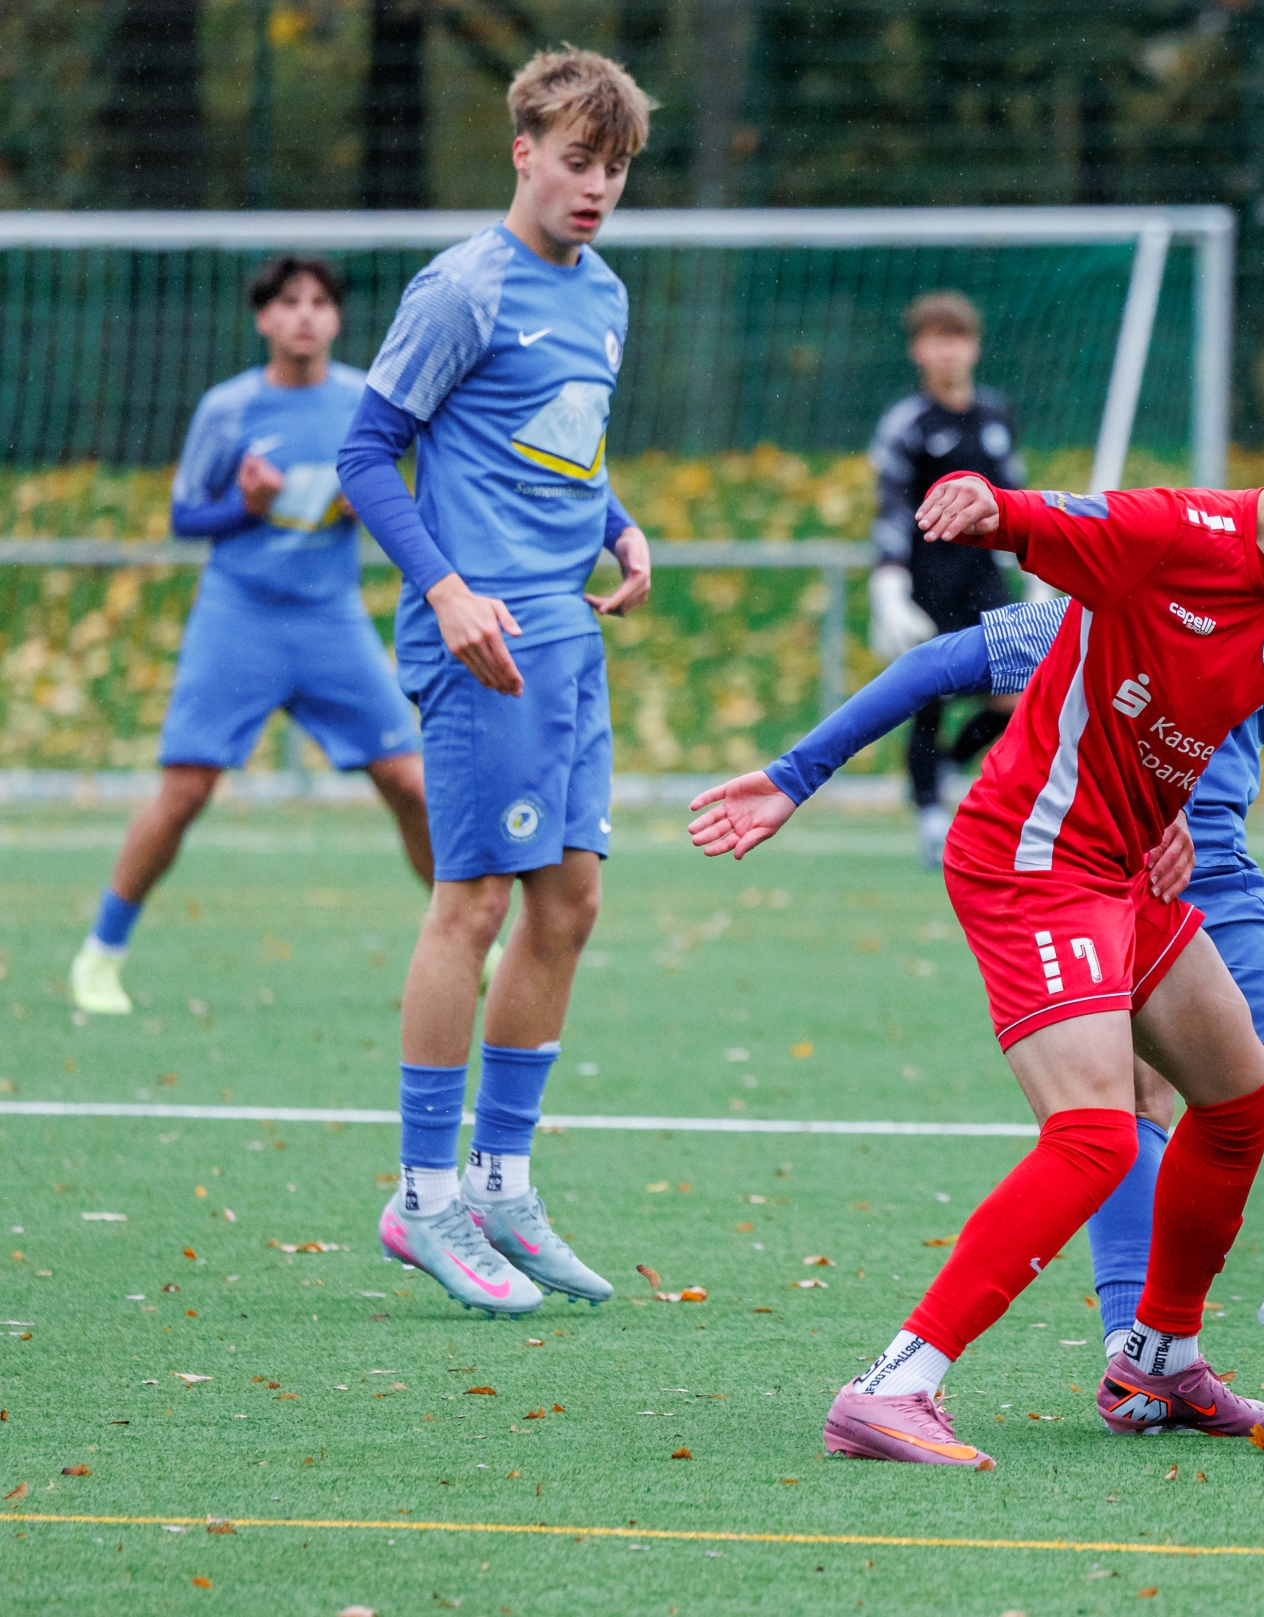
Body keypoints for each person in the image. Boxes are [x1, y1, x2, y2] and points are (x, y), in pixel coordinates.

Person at [705, 380, 1264, 1466]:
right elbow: (1037, 520)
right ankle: (893, 1384)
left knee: (1243, 1097)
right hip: (1032, 859)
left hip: (1126, 876)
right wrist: (975, 500)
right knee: (1096, 1133)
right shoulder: (1171, 533)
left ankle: (1157, 1360)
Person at [335, 47, 655, 1319]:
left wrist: (619, 527)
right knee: (468, 905)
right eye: (578, 161)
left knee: (569, 904)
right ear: (523, 152)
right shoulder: (463, 287)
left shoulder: (606, 294)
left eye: (615, 168)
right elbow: (368, 453)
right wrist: (446, 590)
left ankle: (502, 1184)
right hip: (479, 644)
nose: (596, 188)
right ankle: (422, 1199)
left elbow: (563, 446)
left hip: (565, 640)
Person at [68, 258, 432, 1018]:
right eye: (288, 302)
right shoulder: (228, 409)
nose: (305, 315)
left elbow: (390, 497)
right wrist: (245, 506)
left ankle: (469, 940)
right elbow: (185, 517)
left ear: (336, 319)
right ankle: (101, 953)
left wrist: (368, 508)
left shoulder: (363, 402)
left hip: (331, 619)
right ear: (263, 319)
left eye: (321, 302)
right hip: (240, 618)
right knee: (185, 791)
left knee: (409, 783)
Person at [866, 291, 1026, 867]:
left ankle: (946, 771)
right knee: (929, 697)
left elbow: (1016, 499)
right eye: (936, 340)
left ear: (974, 347)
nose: (948, 352)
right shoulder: (907, 423)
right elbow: (890, 506)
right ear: (919, 351)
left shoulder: (996, 415)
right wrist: (888, 584)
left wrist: (1036, 567)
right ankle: (931, 815)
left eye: (957, 339)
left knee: (1016, 699)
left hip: (984, 579)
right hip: (928, 580)